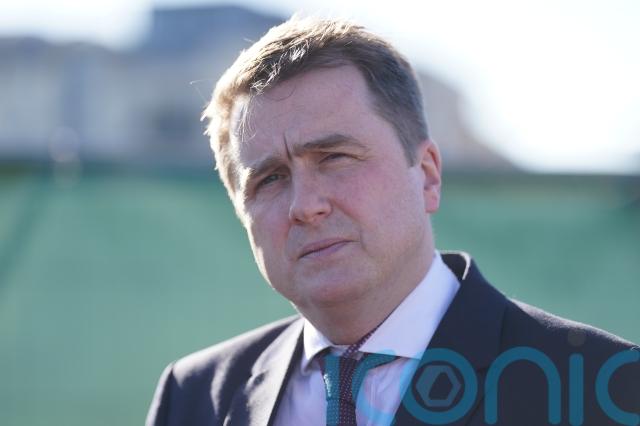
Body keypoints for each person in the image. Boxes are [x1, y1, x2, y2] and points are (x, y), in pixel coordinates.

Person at [147, 17, 639, 426]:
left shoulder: (606, 386)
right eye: (270, 179)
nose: (305, 205)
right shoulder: (193, 399)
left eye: (335, 157)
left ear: (426, 175)